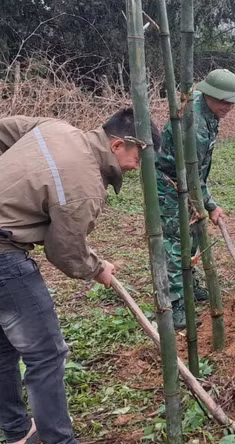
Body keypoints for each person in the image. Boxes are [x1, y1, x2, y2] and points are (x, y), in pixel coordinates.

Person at [0, 108, 160, 444]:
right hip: (4, 256)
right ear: (118, 145)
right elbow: (65, 252)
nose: (138, 166)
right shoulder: (85, 184)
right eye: (138, 156)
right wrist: (97, 268)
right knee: (47, 354)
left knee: (3, 347)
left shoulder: (54, 127)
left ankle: (17, 431)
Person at [156, 68, 235, 329]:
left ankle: (188, 284)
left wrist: (206, 203)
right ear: (208, 95)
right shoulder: (194, 123)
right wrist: (211, 204)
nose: (228, 107)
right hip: (171, 185)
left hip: (189, 184)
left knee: (193, 235)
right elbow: (192, 174)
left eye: (232, 102)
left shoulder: (209, 110)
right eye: (224, 101)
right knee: (174, 243)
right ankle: (174, 306)